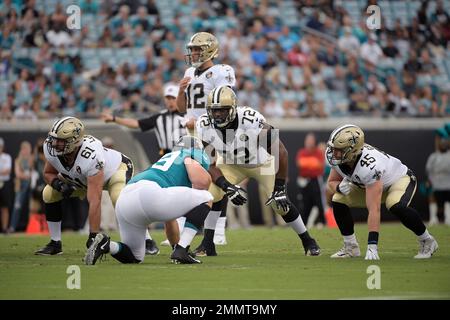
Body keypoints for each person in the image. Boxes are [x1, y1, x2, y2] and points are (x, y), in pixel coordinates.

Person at [194, 86, 320, 257]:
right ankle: (208, 244)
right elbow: (210, 164)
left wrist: (280, 187)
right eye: (214, 110)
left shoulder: (250, 120)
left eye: (222, 110)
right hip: (232, 164)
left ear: (233, 108)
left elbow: (281, 152)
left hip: (262, 163)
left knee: (279, 203)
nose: (217, 115)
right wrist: (227, 186)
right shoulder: (204, 124)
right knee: (213, 192)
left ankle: (308, 240)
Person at [84, 136, 213, 265]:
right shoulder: (186, 155)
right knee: (206, 198)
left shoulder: (165, 162)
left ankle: (106, 245)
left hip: (125, 198)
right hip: (149, 192)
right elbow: (201, 182)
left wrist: (175, 247)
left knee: (135, 256)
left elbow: (170, 218)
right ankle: (183, 249)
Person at [34, 116, 144, 256]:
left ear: (74, 141)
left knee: (118, 198)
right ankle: (55, 244)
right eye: (54, 139)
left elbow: (95, 200)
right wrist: (59, 185)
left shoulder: (90, 156)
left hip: (116, 170)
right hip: (83, 179)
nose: (54, 144)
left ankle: (146, 238)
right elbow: (48, 173)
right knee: (49, 193)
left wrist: (93, 236)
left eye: (60, 140)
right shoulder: (52, 149)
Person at [325, 124, 438, 260]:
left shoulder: (370, 166)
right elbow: (331, 182)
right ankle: (351, 247)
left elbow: (374, 208)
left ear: (352, 150)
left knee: (394, 204)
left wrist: (372, 245)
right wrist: (338, 188)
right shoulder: (339, 157)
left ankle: (427, 240)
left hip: (398, 180)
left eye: (339, 150)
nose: (333, 153)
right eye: (333, 148)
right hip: (370, 185)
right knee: (338, 199)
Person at [101, 83, 185, 251]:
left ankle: (193, 234)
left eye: (173, 98)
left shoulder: (188, 116)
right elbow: (137, 123)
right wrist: (115, 119)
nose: (170, 102)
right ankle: (168, 237)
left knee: (182, 196)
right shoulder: (159, 118)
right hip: (165, 161)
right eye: (167, 98)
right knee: (167, 196)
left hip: (183, 159)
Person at [177, 32, 237, 245]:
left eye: (197, 49)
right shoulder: (189, 73)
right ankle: (184, 225)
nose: (193, 53)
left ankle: (219, 229)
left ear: (210, 49)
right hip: (192, 133)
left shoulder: (222, 71)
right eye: (191, 49)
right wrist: (180, 91)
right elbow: (181, 109)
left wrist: (202, 119)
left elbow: (227, 102)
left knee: (217, 177)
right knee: (190, 178)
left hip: (214, 130)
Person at [296, 133, 326, 228]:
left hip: (315, 180)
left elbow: (319, 166)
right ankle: (303, 224)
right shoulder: (302, 152)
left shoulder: (318, 152)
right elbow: (300, 164)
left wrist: (309, 163)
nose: (308, 142)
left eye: (310, 140)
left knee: (318, 201)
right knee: (305, 203)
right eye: (307, 140)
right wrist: (312, 163)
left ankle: (322, 222)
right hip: (304, 181)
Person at [9, 141, 34, 232]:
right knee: (17, 206)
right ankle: (12, 227)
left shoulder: (32, 159)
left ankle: (31, 228)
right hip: (21, 185)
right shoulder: (17, 160)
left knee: (31, 207)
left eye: (29, 149)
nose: (27, 151)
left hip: (30, 185)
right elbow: (18, 174)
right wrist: (26, 175)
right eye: (25, 149)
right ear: (22, 150)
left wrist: (29, 175)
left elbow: (33, 172)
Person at [426, 137, 450, 225]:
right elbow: (429, 169)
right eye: (442, 144)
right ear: (439, 145)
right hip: (435, 183)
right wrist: (429, 180)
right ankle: (433, 218)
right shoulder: (434, 156)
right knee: (432, 198)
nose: (443, 145)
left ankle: (448, 218)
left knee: (448, 200)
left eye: (445, 144)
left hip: (448, 183)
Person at [0, 137, 12, 233]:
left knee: (5, 207)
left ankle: (4, 228)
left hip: (4, 184)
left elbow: (7, 171)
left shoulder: (7, 157)